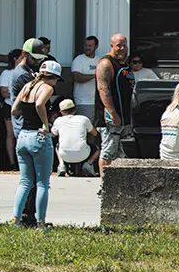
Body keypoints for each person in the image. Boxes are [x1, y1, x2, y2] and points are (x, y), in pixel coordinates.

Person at [11, 59, 62, 227]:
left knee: (25, 182)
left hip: (23, 136)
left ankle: (15, 220)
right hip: (38, 137)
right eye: (56, 80)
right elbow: (40, 104)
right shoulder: (47, 88)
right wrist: (46, 125)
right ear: (53, 77)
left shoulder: (28, 86)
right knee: (42, 183)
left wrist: (26, 115)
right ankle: (41, 223)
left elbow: (14, 110)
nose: (56, 84)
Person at [10, 38, 48, 221]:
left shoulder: (30, 72)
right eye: (35, 58)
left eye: (41, 59)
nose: (38, 62)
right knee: (35, 181)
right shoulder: (22, 76)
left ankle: (23, 217)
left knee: (28, 180)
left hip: (25, 131)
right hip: (27, 129)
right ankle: (29, 216)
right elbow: (36, 102)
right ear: (24, 54)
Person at [94, 33, 134, 177]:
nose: (122, 48)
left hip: (125, 117)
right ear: (112, 46)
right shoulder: (106, 63)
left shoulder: (125, 64)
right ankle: (104, 184)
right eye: (119, 46)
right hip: (111, 119)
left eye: (124, 45)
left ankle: (119, 184)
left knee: (122, 153)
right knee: (108, 152)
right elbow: (103, 90)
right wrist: (113, 113)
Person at [52, 98, 100, 176]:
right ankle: (88, 164)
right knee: (97, 149)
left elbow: (52, 135)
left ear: (62, 112)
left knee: (57, 146)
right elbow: (95, 134)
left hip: (64, 155)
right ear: (75, 110)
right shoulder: (84, 119)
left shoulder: (58, 120)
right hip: (84, 154)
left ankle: (61, 165)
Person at [0, 49, 21, 169]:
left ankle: (21, 161)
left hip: (22, 107)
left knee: (20, 134)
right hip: (9, 106)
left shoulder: (26, 72)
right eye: (21, 57)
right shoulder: (6, 73)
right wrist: (17, 97)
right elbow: (3, 92)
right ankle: (12, 162)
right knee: (11, 134)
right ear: (15, 59)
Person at [70, 36, 100, 122]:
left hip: (97, 102)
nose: (87, 48)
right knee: (85, 126)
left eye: (90, 46)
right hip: (83, 101)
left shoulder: (100, 60)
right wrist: (95, 75)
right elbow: (76, 77)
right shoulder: (79, 60)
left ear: (96, 46)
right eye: (85, 45)